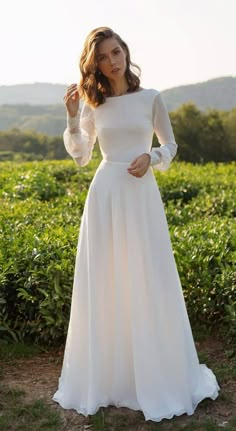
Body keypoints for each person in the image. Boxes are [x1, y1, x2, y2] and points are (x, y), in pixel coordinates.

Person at [52, 26, 220, 422]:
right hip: (106, 194)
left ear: (125, 51)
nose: (112, 62)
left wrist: (152, 158)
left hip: (140, 195)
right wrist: (74, 118)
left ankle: (155, 372)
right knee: (107, 278)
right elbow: (81, 157)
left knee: (148, 275)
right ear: (95, 65)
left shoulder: (151, 98)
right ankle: (111, 376)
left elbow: (171, 146)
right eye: (103, 58)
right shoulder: (96, 104)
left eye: (115, 52)